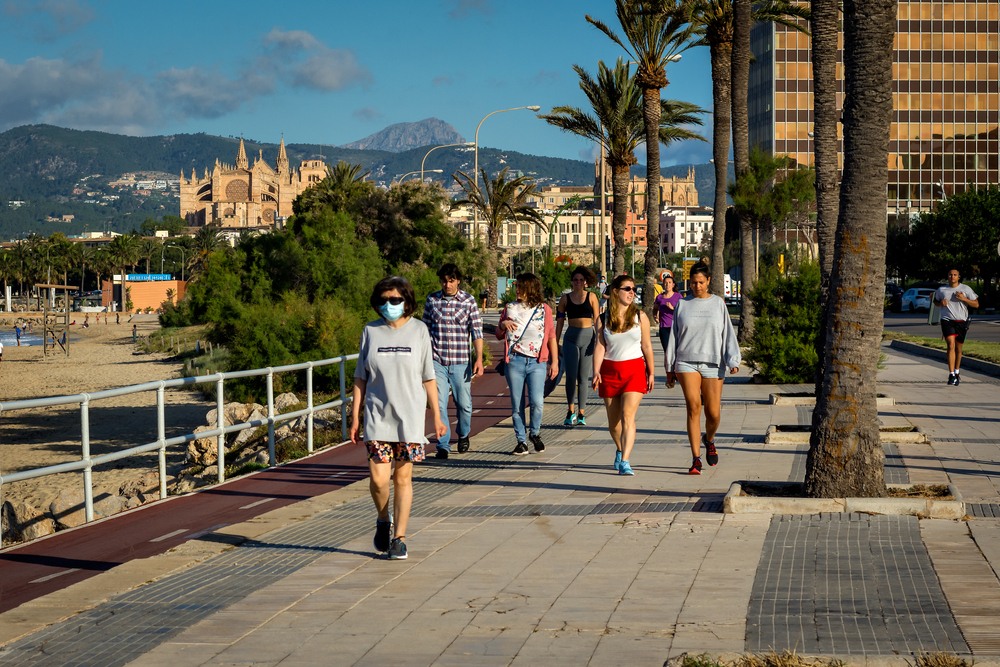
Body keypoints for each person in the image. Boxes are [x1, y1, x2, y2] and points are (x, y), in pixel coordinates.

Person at [350, 276, 446, 561]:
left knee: (403, 478)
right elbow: (360, 376)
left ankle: (399, 538)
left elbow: (429, 377)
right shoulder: (371, 331)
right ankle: (383, 517)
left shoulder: (419, 331)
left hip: (410, 418)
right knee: (379, 480)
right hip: (377, 417)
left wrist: (438, 418)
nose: (389, 305)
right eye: (383, 300)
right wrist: (355, 417)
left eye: (395, 300)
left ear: (406, 301)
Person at [665, 262, 741, 475]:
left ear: (708, 281)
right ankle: (696, 459)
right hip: (685, 361)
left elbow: (727, 333)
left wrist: (733, 359)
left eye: (700, 282)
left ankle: (709, 439)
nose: (697, 286)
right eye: (693, 283)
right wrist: (670, 367)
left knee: (714, 413)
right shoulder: (682, 304)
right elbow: (674, 336)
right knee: (693, 406)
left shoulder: (718, 304)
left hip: (713, 363)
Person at [592, 274, 655, 476]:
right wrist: (595, 371)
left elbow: (646, 345)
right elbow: (600, 346)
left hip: (634, 370)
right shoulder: (602, 318)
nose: (631, 293)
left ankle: (626, 461)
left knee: (628, 416)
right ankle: (620, 449)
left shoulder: (640, 316)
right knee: (614, 425)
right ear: (615, 292)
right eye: (627, 289)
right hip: (610, 371)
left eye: (633, 289)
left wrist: (651, 372)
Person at [422, 263, 485, 460]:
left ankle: (464, 434)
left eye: (451, 280)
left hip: (460, 361)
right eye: (444, 280)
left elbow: (476, 331)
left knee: (464, 404)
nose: (447, 284)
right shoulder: (432, 300)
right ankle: (443, 445)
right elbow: (424, 331)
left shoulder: (468, 301)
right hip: (436, 361)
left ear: (458, 281)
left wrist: (479, 358)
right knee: (439, 404)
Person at [496, 273, 559, 456]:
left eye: (520, 287)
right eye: (516, 287)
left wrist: (554, 361)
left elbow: (551, 337)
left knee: (537, 402)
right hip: (515, 360)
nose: (517, 290)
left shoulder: (544, 309)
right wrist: (503, 324)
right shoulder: (509, 308)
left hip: (537, 362)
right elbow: (499, 333)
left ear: (530, 288)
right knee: (517, 404)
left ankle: (535, 433)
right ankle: (521, 441)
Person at [556, 266, 600, 426]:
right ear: (572, 282)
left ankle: (582, 412)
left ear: (585, 282)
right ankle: (570, 410)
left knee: (583, 377)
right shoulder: (565, 299)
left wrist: (599, 340)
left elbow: (597, 320)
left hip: (588, 337)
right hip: (571, 338)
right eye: (575, 280)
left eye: (581, 280)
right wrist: (555, 342)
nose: (578, 283)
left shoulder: (592, 297)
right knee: (571, 376)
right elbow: (560, 321)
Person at [934, 268, 979, 386]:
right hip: (947, 320)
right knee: (950, 344)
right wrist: (940, 303)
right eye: (950, 275)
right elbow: (935, 301)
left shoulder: (965, 289)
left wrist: (964, 299)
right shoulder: (941, 290)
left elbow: (976, 304)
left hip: (962, 321)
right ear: (947, 276)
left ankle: (957, 371)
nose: (952, 277)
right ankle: (951, 374)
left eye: (955, 275)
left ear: (958, 277)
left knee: (958, 349)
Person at [654, 273, 681, 355]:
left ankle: (676, 367)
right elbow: (655, 308)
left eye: (669, 282)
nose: (667, 284)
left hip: (675, 327)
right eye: (665, 283)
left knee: (676, 350)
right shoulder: (659, 297)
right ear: (663, 285)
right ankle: (669, 367)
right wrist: (655, 316)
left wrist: (673, 308)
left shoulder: (678, 296)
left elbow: (682, 311)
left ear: (673, 285)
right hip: (663, 328)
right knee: (667, 351)